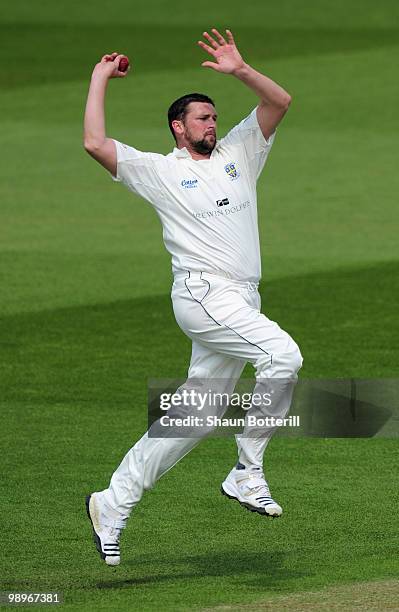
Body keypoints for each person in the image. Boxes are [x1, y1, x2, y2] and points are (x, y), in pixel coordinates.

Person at [83, 28, 302, 566]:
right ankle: (247, 472)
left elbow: (280, 101)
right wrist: (99, 77)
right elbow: (95, 143)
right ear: (178, 128)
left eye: (214, 115)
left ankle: (112, 501)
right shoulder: (160, 171)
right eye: (202, 118)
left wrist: (241, 70)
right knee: (283, 357)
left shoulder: (241, 152)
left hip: (241, 299)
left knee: (197, 413)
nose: (213, 122)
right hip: (204, 295)